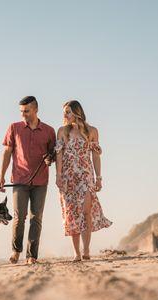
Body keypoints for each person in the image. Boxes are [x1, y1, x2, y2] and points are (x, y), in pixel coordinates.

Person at [0, 96, 56, 264]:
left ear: (36, 110)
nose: (23, 114)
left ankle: (32, 256)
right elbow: (7, 153)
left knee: (36, 218)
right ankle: (16, 251)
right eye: (21, 111)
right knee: (19, 217)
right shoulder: (14, 128)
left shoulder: (49, 131)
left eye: (27, 111)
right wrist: (1, 176)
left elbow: (53, 155)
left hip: (40, 181)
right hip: (19, 180)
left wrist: (49, 159)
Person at [55, 100, 112, 261]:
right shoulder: (62, 131)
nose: (65, 115)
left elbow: (95, 155)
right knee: (72, 215)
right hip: (68, 177)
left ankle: (86, 250)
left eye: (68, 112)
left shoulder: (92, 131)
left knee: (86, 212)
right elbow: (59, 155)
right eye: (64, 112)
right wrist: (58, 176)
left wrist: (99, 178)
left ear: (77, 112)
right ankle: (76, 252)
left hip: (86, 176)